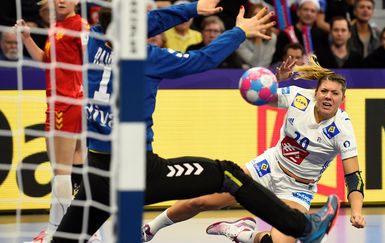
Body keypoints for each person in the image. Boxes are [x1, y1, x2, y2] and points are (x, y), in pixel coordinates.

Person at [50, 1, 340, 243]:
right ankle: (303, 228)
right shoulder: (144, 57)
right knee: (228, 174)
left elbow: (148, 21)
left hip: (97, 171)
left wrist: (192, 9)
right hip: (136, 171)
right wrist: (239, 32)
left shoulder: (95, 39)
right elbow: (201, 59)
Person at [142, 55, 366, 243]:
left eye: (335, 93)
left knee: (282, 240)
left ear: (343, 98)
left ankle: (240, 233)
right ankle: (150, 230)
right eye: (324, 91)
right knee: (200, 200)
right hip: (268, 167)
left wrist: (356, 212)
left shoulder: (343, 131)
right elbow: (260, 98)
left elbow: (353, 177)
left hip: (298, 189)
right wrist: (275, 80)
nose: (328, 96)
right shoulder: (299, 98)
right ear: (315, 93)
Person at [14, 0, 92, 241]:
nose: (60, 0)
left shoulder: (79, 26)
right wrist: (27, 38)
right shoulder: (57, 26)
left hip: (68, 103)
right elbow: (47, 63)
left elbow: (93, 63)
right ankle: (89, 231)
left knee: (60, 169)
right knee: (77, 165)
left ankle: (54, 231)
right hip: (63, 102)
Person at [235, 3, 277, 68]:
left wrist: (258, 36)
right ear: (250, 18)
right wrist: (258, 37)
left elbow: (265, 65)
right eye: (255, 14)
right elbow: (256, 64)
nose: (259, 18)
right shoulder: (241, 37)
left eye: (262, 15)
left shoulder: (272, 37)